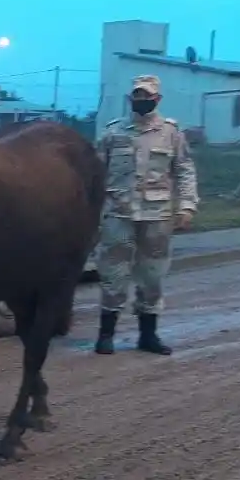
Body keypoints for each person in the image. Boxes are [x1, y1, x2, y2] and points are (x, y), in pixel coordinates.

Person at [94, 74, 198, 356]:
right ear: (130, 99)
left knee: (152, 276)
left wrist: (187, 206)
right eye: (137, 96)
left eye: (147, 96)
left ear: (157, 99)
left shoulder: (171, 133)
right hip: (119, 214)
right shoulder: (113, 133)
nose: (142, 101)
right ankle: (106, 335)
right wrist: (92, 210)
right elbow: (95, 174)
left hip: (157, 216)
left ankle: (148, 335)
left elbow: (185, 170)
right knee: (112, 274)